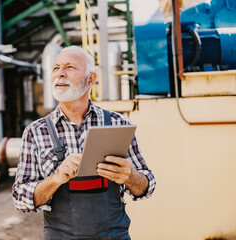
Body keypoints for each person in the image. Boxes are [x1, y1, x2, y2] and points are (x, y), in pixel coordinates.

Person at [12, 46, 155, 240]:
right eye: (55, 68)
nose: (60, 74)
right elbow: (20, 199)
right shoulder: (35, 132)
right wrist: (56, 179)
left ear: (91, 79)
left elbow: (147, 186)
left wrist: (129, 176)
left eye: (69, 67)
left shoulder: (117, 123)